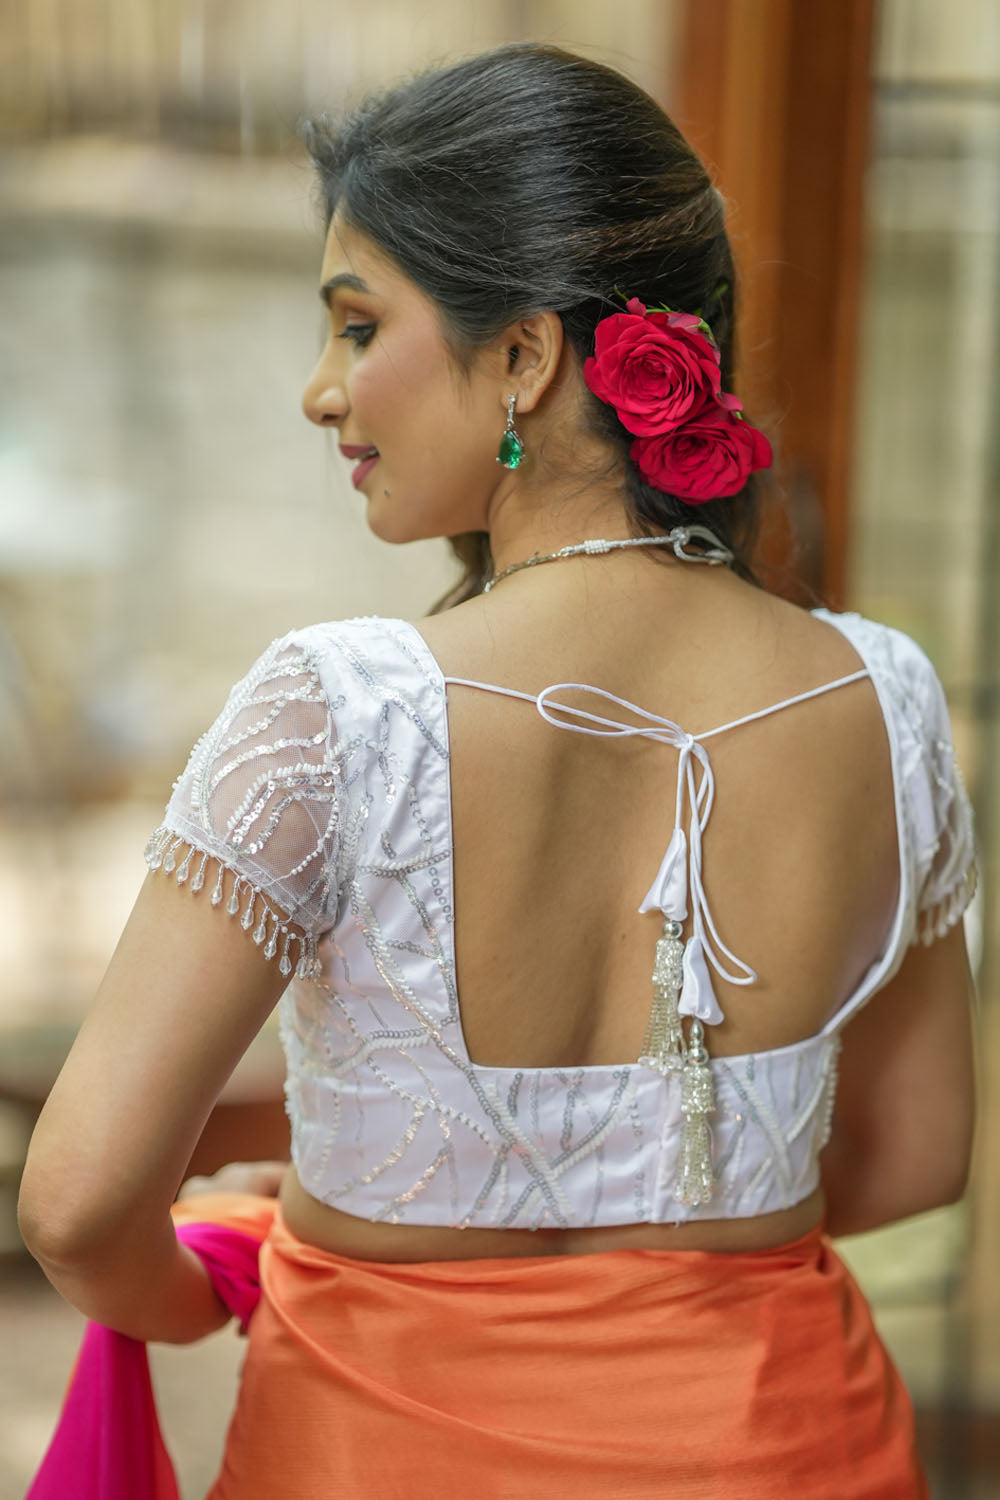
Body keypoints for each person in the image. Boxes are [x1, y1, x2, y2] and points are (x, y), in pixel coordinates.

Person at [19, 42, 977, 1500]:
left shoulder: (344, 715)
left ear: (525, 354)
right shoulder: (886, 703)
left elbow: (83, 1205)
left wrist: (232, 1277)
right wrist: (671, 1267)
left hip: (384, 1452)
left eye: (356, 327)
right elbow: (916, 1161)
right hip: (788, 1453)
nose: (319, 393)